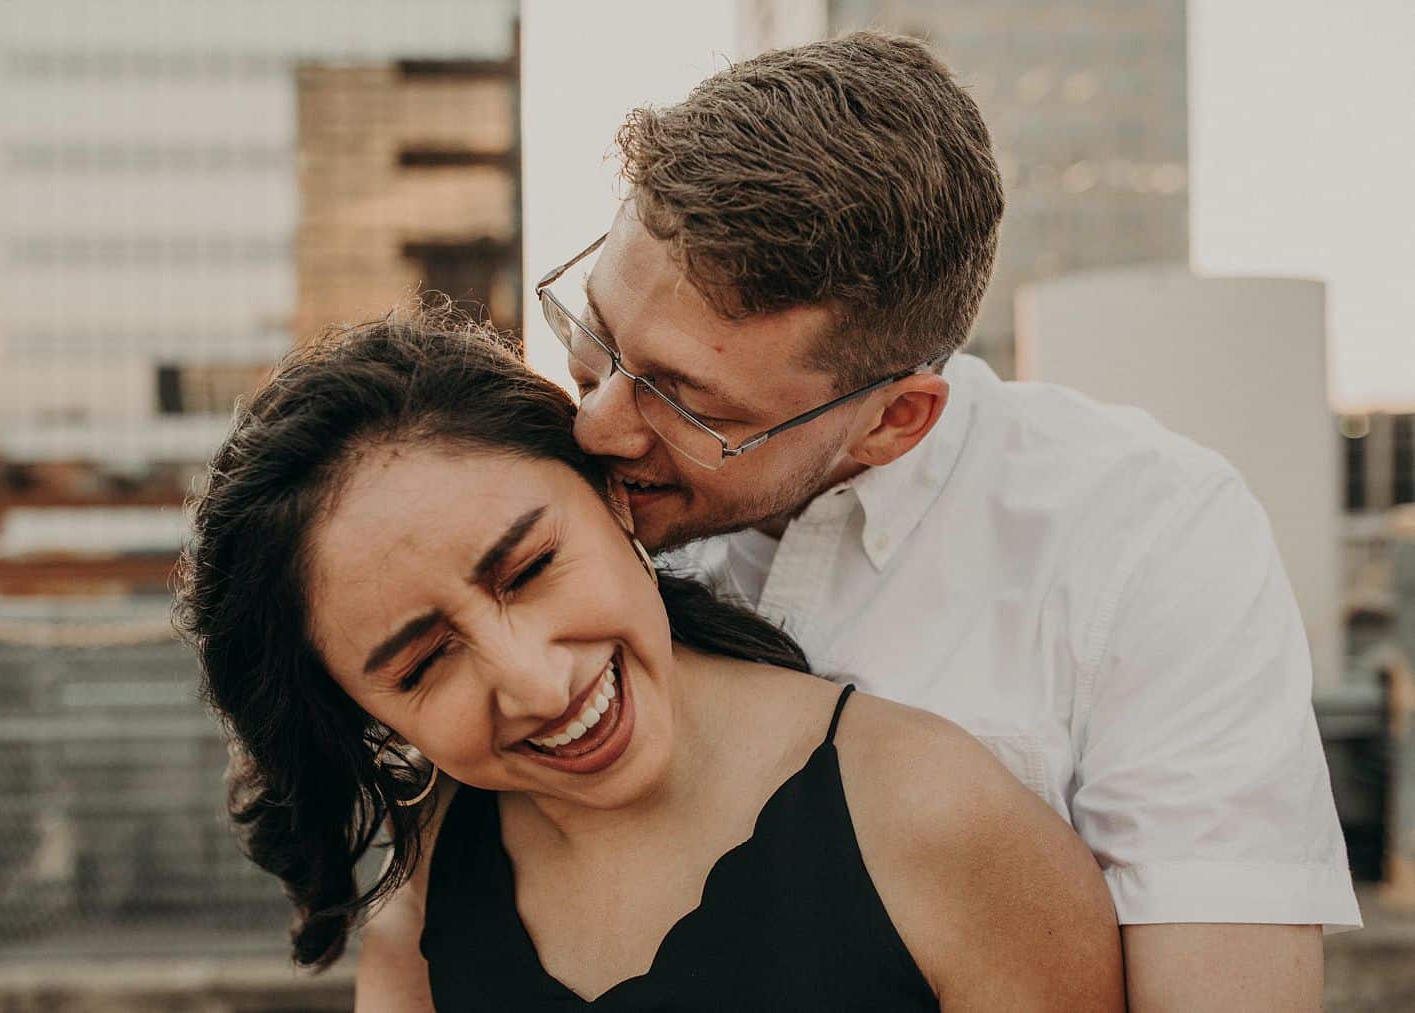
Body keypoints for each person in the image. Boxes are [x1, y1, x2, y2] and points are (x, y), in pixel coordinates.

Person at [398, 28, 1353, 1012]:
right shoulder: (553, 490)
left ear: (895, 420)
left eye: (687, 402)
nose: (597, 423)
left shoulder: (1151, 540)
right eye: (595, 331)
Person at [175, 305, 1123, 1010]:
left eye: (532, 567)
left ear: (613, 497)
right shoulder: (429, 882)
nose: (539, 683)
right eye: (423, 665)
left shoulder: (935, 813)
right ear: (356, 711)